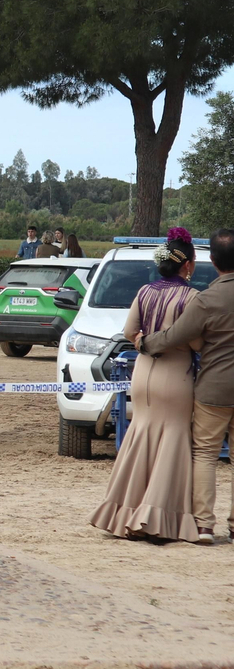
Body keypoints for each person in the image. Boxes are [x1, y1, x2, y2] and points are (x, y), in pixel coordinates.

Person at [89, 230, 200, 542]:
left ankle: (123, 511)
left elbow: (129, 331)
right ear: (188, 265)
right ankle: (157, 518)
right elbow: (194, 340)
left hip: (143, 374)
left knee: (141, 437)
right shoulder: (190, 297)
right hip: (175, 374)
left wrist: (144, 343)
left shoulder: (144, 291)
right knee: (172, 441)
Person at [138, 229, 234, 544]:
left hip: (214, 390)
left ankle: (205, 525)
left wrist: (145, 343)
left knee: (205, 454)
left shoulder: (207, 299)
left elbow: (175, 336)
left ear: (213, 261)